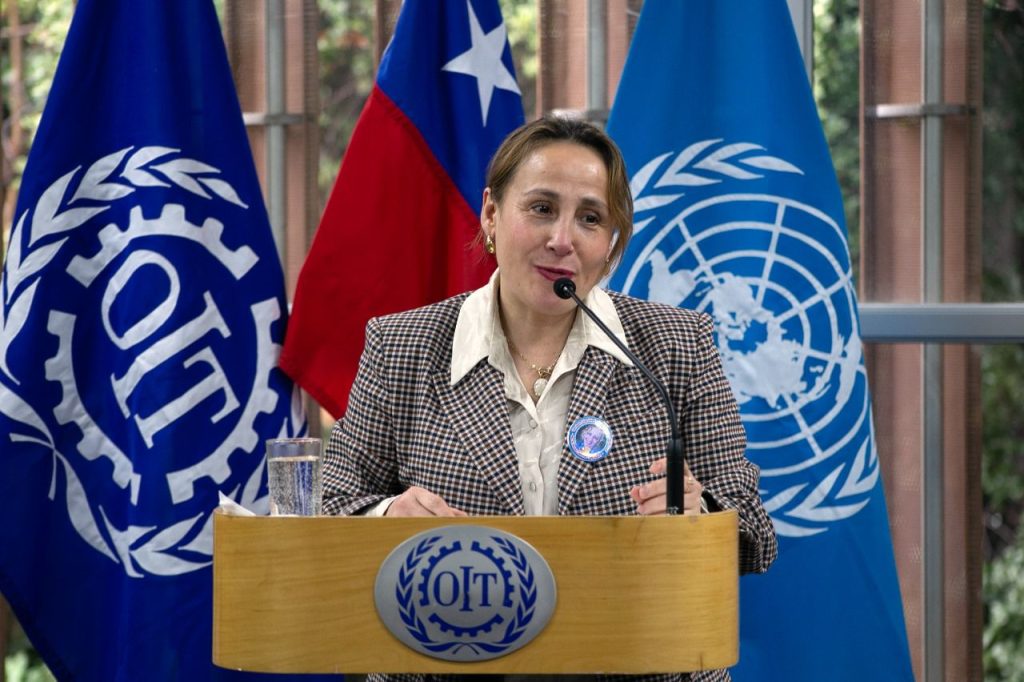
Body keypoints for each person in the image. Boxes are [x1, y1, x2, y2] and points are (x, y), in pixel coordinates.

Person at [322, 116, 777, 682]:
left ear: (611, 243)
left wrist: (701, 515)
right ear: (491, 214)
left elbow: (754, 533)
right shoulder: (404, 345)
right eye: (541, 208)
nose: (563, 240)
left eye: (591, 218)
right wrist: (386, 516)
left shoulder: (675, 346)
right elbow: (330, 501)